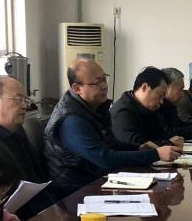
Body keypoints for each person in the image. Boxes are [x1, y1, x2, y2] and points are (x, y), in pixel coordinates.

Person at [44, 59, 179, 196]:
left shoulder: (93, 108)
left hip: (96, 180)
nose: (104, 86)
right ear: (77, 88)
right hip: (74, 192)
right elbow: (105, 158)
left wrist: (139, 148)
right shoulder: (72, 119)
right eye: (97, 82)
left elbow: (111, 144)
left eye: (104, 79)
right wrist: (156, 154)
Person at [0, 76, 56, 220]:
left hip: (44, 213)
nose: (25, 106)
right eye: (19, 99)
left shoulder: (17, 133)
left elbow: (38, 180)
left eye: (26, 100)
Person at [110, 67, 185, 149]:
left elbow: (160, 135)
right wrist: (168, 143)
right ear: (144, 87)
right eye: (160, 95)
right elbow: (134, 144)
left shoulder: (150, 109)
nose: (161, 102)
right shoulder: (123, 111)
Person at [159, 68, 192, 139]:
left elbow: (180, 126)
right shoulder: (157, 107)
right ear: (166, 87)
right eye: (180, 89)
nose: (182, 95)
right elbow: (168, 133)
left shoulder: (171, 106)